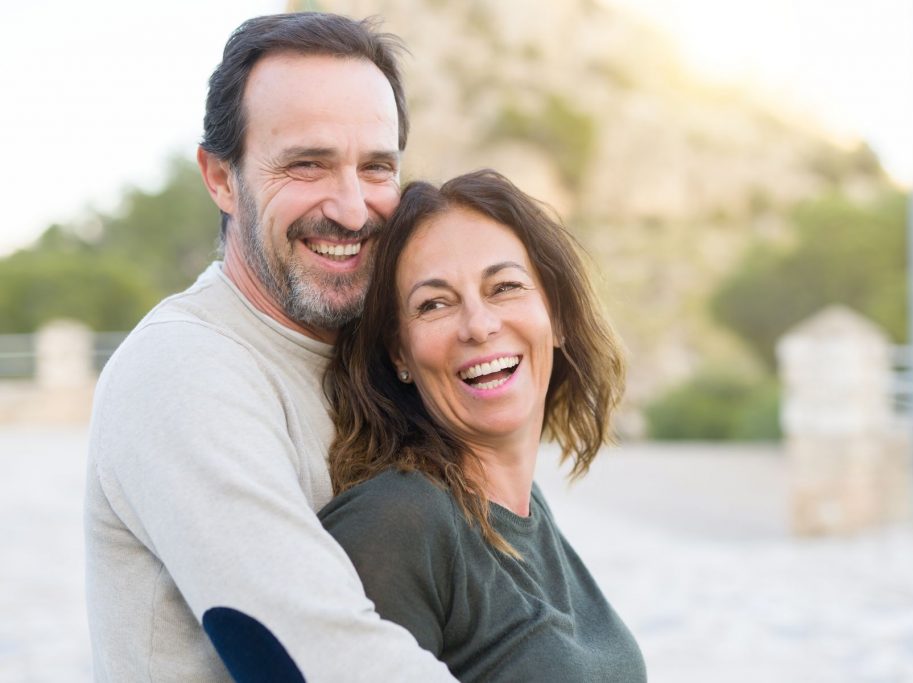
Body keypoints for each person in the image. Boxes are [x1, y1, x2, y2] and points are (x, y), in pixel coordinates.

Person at [84, 12, 455, 682]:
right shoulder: (182, 371)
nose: (349, 207)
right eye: (306, 165)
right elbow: (321, 660)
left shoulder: (379, 353)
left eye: (376, 167)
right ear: (222, 178)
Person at [318, 169, 647, 682]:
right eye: (434, 304)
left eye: (505, 287)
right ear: (399, 352)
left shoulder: (524, 508)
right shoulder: (398, 521)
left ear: (556, 317)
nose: (479, 325)